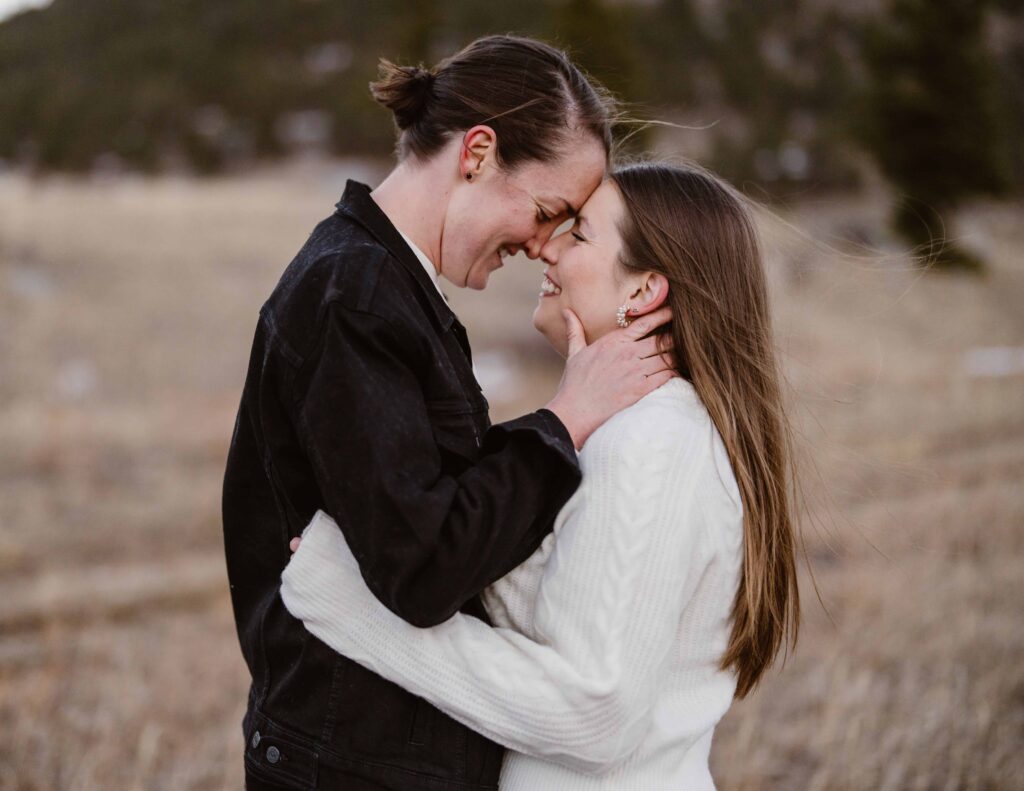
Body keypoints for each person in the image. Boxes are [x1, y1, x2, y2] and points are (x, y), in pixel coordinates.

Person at [222, 36, 675, 791]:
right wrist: (566, 419)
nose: (541, 246)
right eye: (547, 211)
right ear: (477, 153)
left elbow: (426, 508)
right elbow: (424, 565)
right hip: (344, 765)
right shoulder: (356, 298)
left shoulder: (390, 288)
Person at [280, 162, 802, 790]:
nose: (545, 248)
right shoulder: (638, 431)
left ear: (644, 291)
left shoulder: (650, 444)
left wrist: (352, 604)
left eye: (578, 235)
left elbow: (596, 713)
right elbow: (556, 620)